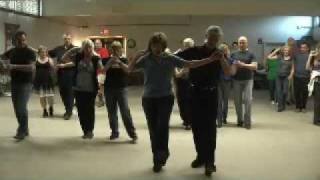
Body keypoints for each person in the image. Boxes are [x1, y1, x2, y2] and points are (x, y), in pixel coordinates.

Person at [129, 31, 226, 175]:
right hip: (148, 99)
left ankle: (163, 154)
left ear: (163, 46)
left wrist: (210, 59)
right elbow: (130, 69)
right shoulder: (146, 59)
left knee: (162, 127)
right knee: (153, 130)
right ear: (150, 45)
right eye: (154, 45)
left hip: (166, 98)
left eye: (160, 45)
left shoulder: (169, 58)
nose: (157, 48)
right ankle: (157, 159)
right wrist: (137, 55)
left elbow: (190, 64)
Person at [176, 26, 234, 176]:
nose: (213, 40)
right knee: (196, 127)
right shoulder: (194, 50)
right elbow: (177, 59)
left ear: (219, 39)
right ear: (206, 36)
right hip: (194, 92)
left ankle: (210, 162)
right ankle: (201, 156)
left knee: (209, 129)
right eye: (211, 36)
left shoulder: (220, 54)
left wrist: (221, 58)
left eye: (216, 38)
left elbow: (228, 72)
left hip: (211, 94)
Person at [63, 39, 104, 139]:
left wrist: (101, 88)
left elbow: (102, 70)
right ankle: (85, 130)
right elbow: (64, 58)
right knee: (81, 110)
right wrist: (73, 49)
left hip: (91, 88)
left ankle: (90, 130)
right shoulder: (78, 56)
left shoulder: (95, 58)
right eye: (86, 47)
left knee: (89, 110)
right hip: (78, 87)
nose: (88, 49)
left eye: (90, 47)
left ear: (92, 48)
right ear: (83, 48)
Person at [1, 31, 36, 140]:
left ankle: (21, 130)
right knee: (17, 108)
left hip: (26, 83)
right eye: (19, 40)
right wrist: (3, 65)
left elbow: (31, 67)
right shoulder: (12, 51)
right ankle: (25, 129)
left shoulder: (29, 52)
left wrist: (13, 66)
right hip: (15, 82)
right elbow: (2, 57)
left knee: (21, 107)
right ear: (14, 40)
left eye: (23, 40)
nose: (21, 42)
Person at [103, 41, 137, 142]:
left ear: (121, 49)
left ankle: (132, 134)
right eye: (113, 49)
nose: (115, 51)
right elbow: (103, 70)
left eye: (118, 49)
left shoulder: (124, 59)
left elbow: (128, 70)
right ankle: (114, 132)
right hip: (109, 89)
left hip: (121, 89)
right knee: (111, 112)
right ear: (111, 50)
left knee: (125, 111)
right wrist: (110, 62)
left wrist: (119, 62)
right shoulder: (105, 59)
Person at [231, 36, 257, 129]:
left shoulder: (251, 54)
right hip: (236, 80)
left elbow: (254, 66)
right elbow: (230, 66)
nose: (241, 44)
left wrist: (243, 65)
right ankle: (239, 120)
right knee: (237, 101)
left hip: (248, 80)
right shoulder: (233, 54)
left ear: (247, 43)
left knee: (248, 100)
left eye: (243, 42)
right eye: (240, 42)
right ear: (238, 44)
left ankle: (247, 121)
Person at [48, 33, 76, 120]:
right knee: (62, 93)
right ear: (63, 40)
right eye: (65, 39)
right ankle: (67, 109)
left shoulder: (75, 49)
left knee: (70, 94)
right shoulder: (58, 49)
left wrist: (64, 65)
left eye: (68, 39)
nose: (67, 40)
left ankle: (69, 112)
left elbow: (75, 62)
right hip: (60, 75)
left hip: (71, 75)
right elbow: (48, 53)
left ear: (71, 39)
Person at [174, 38, 195, 130]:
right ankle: (185, 119)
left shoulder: (195, 55)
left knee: (189, 102)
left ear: (192, 46)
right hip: (180, 82)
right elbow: (171, 59)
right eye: (185, 45)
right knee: (181, 101)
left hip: (191, 82)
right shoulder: (180, 54)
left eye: (189, 45)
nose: (187, 47)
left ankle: (189, 121)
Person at [268, 46, 294, 112]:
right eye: (285, 50)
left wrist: (291, 75)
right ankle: (280, 106)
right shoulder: (279, 57)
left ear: (289, 51)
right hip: (278, 76)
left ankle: (283, 104)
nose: (286, 51)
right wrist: (276, 51)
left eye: (287, 50)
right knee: (279, 91)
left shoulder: (291, 59)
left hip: (286, 77)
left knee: (285, 91)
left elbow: (292, 68)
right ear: (283, 51)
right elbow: (269, 57)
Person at [34, 46, 55, 117]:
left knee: (50, 97)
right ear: (39, 53)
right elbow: (33, 69)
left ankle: (51, 107)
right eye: (42, 52)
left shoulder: (49, 59)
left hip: (48, 80)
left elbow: (53, 69)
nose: (43, 53)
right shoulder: (36, 60)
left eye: (45, 52)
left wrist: (52, 66)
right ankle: (44, 110)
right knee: (42, 97)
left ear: (46, 53)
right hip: (39, 81)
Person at [217, 43, 234, 128]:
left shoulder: (230, 59)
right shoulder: (216, 59)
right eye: (222, 50)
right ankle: (219, 121)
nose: (224, 51)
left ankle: (224, 117)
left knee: (225, 101)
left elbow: (231, 70)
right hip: (218, 82)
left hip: (227, 82)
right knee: (219, 102)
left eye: (225, 49)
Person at [293, 42, 311, 113]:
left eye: (304, 47)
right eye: (301, 47)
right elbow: (293, 64)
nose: (302, 49)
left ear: (307, 48)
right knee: (296, 92)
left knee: (304, 93)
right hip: (296, 76)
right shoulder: (296, 55)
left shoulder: (310, 56)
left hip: (306, 77)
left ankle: (303, 107)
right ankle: (297, 107)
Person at [306, 46, 320, 126]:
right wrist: (309, 56)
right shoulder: (313, 58)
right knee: (317, 102)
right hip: (317, 82)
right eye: (317, 50)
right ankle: (316, 120)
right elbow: (307, 68)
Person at [94, 39, 109, 107]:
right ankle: (101, 100)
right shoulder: (93, 51)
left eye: (98, 43)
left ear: (101, 44)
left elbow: (104, 60)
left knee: (99, 87)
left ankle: (101, 101)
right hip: (94, 72)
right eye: (96, 43)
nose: (97, 45)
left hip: (101, 72)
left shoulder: (104, 50)